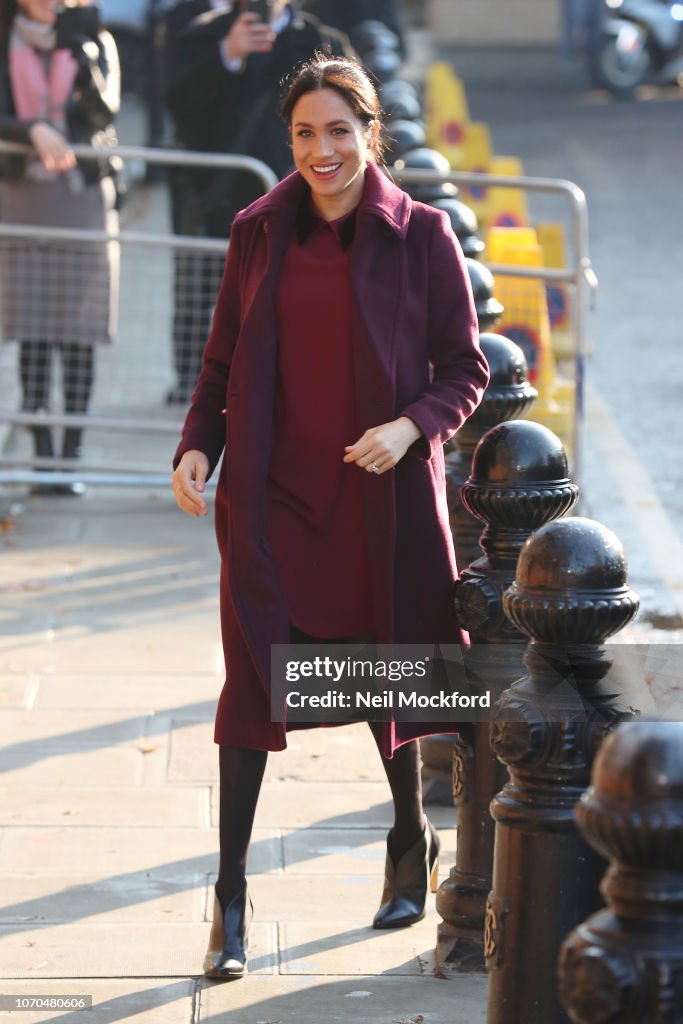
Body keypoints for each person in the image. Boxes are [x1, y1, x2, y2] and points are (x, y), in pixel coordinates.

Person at [172, 54, 489, 980]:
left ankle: (406, 842)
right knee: (254, 687)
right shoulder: (256, 232)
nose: (322, 151)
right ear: (291, 140)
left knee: (382, 672)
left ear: (369, 132)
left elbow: (464, 370)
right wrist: (199, 446)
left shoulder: (422, 234)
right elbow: (220, 366)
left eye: (339, 132)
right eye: (305, 134)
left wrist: (408, 427)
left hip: (377, 498)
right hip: (272, 502)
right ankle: (229, 898)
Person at [162, 0, 352, 404]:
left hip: (298, 196)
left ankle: (282, 378)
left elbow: (354, 112)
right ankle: (193, 380)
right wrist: (227, 55)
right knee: (201, 287)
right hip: (213, 194)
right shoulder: (203, 34)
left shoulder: (320, 41)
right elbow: (177, 103)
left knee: (291, 289)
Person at [0, 0, 120, 494]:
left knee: (79, 329)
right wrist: (29, 130)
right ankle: (43, 456)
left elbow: (104, 111)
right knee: (32, 327)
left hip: (82, 197)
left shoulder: (97, 41)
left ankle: (72, 455)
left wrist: (83, 52)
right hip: (20, 197)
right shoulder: (6, 36)